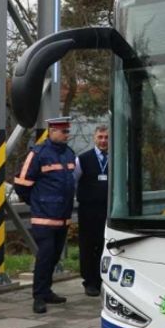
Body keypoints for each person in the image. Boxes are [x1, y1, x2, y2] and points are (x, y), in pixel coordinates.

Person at [14, 116, 78, 314]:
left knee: (54, 256)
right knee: (45, 255)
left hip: (63, 216)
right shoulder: (39, 153)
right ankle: (38, 296)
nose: (67, 135)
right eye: (63, 131)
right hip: (44, 217)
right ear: (52, 131)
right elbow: (21, 184)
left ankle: (47, 290)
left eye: (68, 131)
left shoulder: (69, 153)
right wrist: (37, 203)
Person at [75, 125, 110, 297]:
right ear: (94, 138)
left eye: (106, 137)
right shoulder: (83, 159)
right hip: (88, 210)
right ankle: (89, 281)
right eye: (100, 137)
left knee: (105, 245)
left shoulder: (117, 159)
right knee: (88, 246)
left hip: (108, 210)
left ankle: (102, 279)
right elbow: (73, 180)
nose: (103, 141)